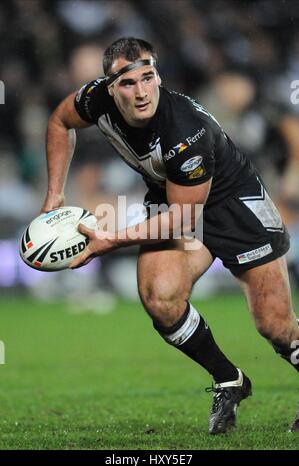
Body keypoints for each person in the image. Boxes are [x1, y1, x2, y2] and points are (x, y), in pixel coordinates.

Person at [41, 37, 299, 434]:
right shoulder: (94, 99)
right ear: (109, 87)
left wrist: (113, 239)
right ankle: (229, 379)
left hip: (233, 206)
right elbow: (59, 122)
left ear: (157, 74)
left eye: (149, 78)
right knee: (160, 297)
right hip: (175, 199)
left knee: (276, 327)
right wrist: (56, 192)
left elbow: (184, 217)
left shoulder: (184, 131)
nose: (142, 91)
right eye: (129, 84)